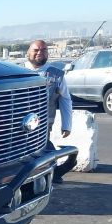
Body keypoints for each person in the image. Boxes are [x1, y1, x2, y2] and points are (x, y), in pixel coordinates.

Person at [25, 39, 76, 183]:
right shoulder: (16, 71)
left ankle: (48, 175)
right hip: (18, 123)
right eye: (36, 50)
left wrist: (67, 125)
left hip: (43, 123)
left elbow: (65, 99)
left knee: (42, 149)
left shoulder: (56, 75)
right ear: (28, 52)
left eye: (43, 50)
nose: (39, 53)